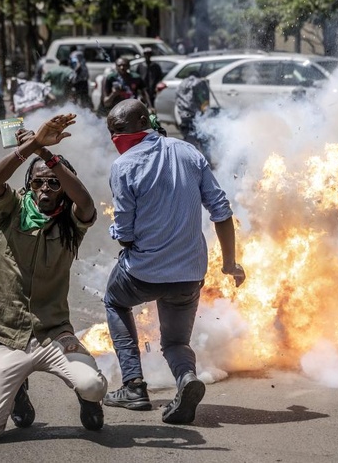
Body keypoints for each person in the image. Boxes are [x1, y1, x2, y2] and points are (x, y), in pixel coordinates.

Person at [102, 99, 245, 424]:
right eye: (111, 131)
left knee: (114, 301)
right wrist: (229, 263)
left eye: (118, 129)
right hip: (190, 274)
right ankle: (186, 379)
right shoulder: (189, 152)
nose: (114, 136)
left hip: (142, 273)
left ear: (142, 121)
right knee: (176, 341)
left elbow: (125, 233)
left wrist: (120, 231)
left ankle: (133, 386)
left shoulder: (123, 166)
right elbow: (221, 211)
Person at [0, 113, 107, 441]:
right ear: (28, 186)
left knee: (93, 386)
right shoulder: (12, 210)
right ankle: (18, 388)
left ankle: (85, 400)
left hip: (54, 335)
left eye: (53, 182)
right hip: (8, 336)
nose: (45, 188)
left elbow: (87, 203)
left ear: (63, 187)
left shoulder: (72, 222)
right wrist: (31, 145)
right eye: (37, 182)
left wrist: (47, 154)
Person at [174, 71, 212, 153]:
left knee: (189, 143)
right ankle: (206, 161)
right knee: (204, 140)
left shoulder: (181, 84)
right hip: (196, 117)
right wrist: (206, 115)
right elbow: (204, 102)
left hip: (183, 117)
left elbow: (177, 102)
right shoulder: (198, 82)